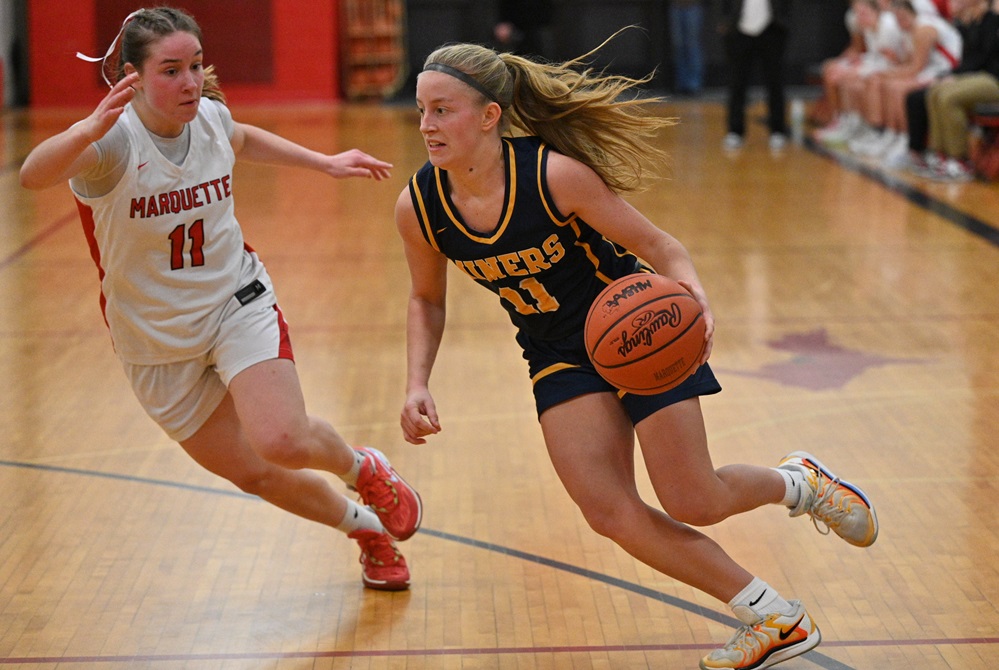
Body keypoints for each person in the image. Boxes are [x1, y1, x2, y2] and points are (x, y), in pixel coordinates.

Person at [395, 35, 880, 670]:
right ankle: (772, 617)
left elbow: (662, 245)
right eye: (422, 110)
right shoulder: (420, 206)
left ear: (490, 115)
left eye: (443, 110)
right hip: (556, 353)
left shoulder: (552, 174)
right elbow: (427, 300)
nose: (427, 125)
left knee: (694, 499)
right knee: (608, 512)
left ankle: (801, 484)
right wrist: (416, 382)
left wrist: (696, 294)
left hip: (639, 334)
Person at [19, 7, 421, 592]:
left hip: (236, 299)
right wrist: (87, 127)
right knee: (256, 475)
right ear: (131, 75)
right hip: (155, 340)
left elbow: (241, 137)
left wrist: (323, 162)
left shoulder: (206, 116)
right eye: (170, 70)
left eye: (195, 67)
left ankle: (366, 470)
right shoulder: (110, 145)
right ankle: (366, 531)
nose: (188, 83)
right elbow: (33, 174)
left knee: (280, 437)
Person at [896, 0, 999, 180]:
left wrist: (955, 77)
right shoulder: (968, 23)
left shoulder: (992, 20)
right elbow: (966, 60)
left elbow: (983, 58)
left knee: (949, 97)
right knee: (935, 92)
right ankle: (942, 156)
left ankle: (960, 160)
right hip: (975, 77)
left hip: (992, 79)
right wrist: (948, 75)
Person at [847, 0, 962, 159]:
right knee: (886, 84)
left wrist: (885, 73)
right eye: (897, 18)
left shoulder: (923, 30)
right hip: (931, 69)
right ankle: (888, 134)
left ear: (912, 13)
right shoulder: (906, 30)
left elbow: (916, 68)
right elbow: (908, 64)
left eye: (903, 17)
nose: (900, 21)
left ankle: (905, 139)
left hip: (947, 70)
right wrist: (891, 66)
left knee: (896, 88)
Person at [717, 0, 792, 151]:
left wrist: (784, 21)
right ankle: (735, 131)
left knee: (774, 83)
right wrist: (726, 21)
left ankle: (777, 130)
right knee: (737, 82)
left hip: (771, 29)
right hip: (739, 31)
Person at [670, 0, 707, 95]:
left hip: (692, 6)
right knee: (678, 46)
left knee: (692, 46)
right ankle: (681, 84)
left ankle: (694, 85)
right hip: (676, 6)